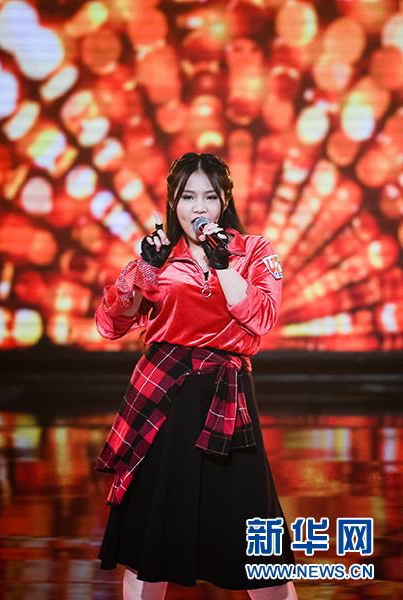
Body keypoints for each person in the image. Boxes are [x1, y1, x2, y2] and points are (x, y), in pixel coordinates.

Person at [94, 152, 297, 600]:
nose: (198, 208)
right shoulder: (159, 256)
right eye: (188, 197)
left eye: (209, 196)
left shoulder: (254, 251)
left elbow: (262, 318)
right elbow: (110, 324)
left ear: (225, 201)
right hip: (165, 398)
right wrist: (143, 270)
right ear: (173, 202)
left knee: (260, 547)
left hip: (228, 399)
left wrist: (223, 266)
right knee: (149, 543)